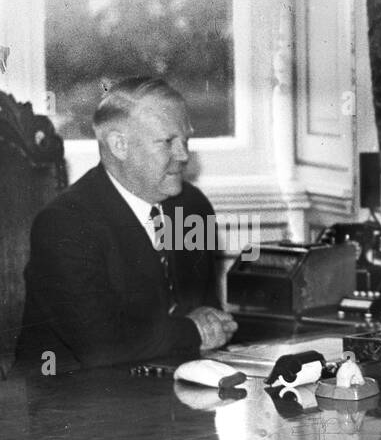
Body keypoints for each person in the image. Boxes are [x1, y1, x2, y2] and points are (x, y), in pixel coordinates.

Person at [15, 76, 236, 372]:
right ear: (119, 145)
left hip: (171, 388)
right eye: (168, 142)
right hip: (70, 398)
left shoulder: (192, 208)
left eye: (186, 139)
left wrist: (211, 325)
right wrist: (194, 331)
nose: (183, 155)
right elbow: (100, 346)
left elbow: (205, 312)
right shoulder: (64, 225)